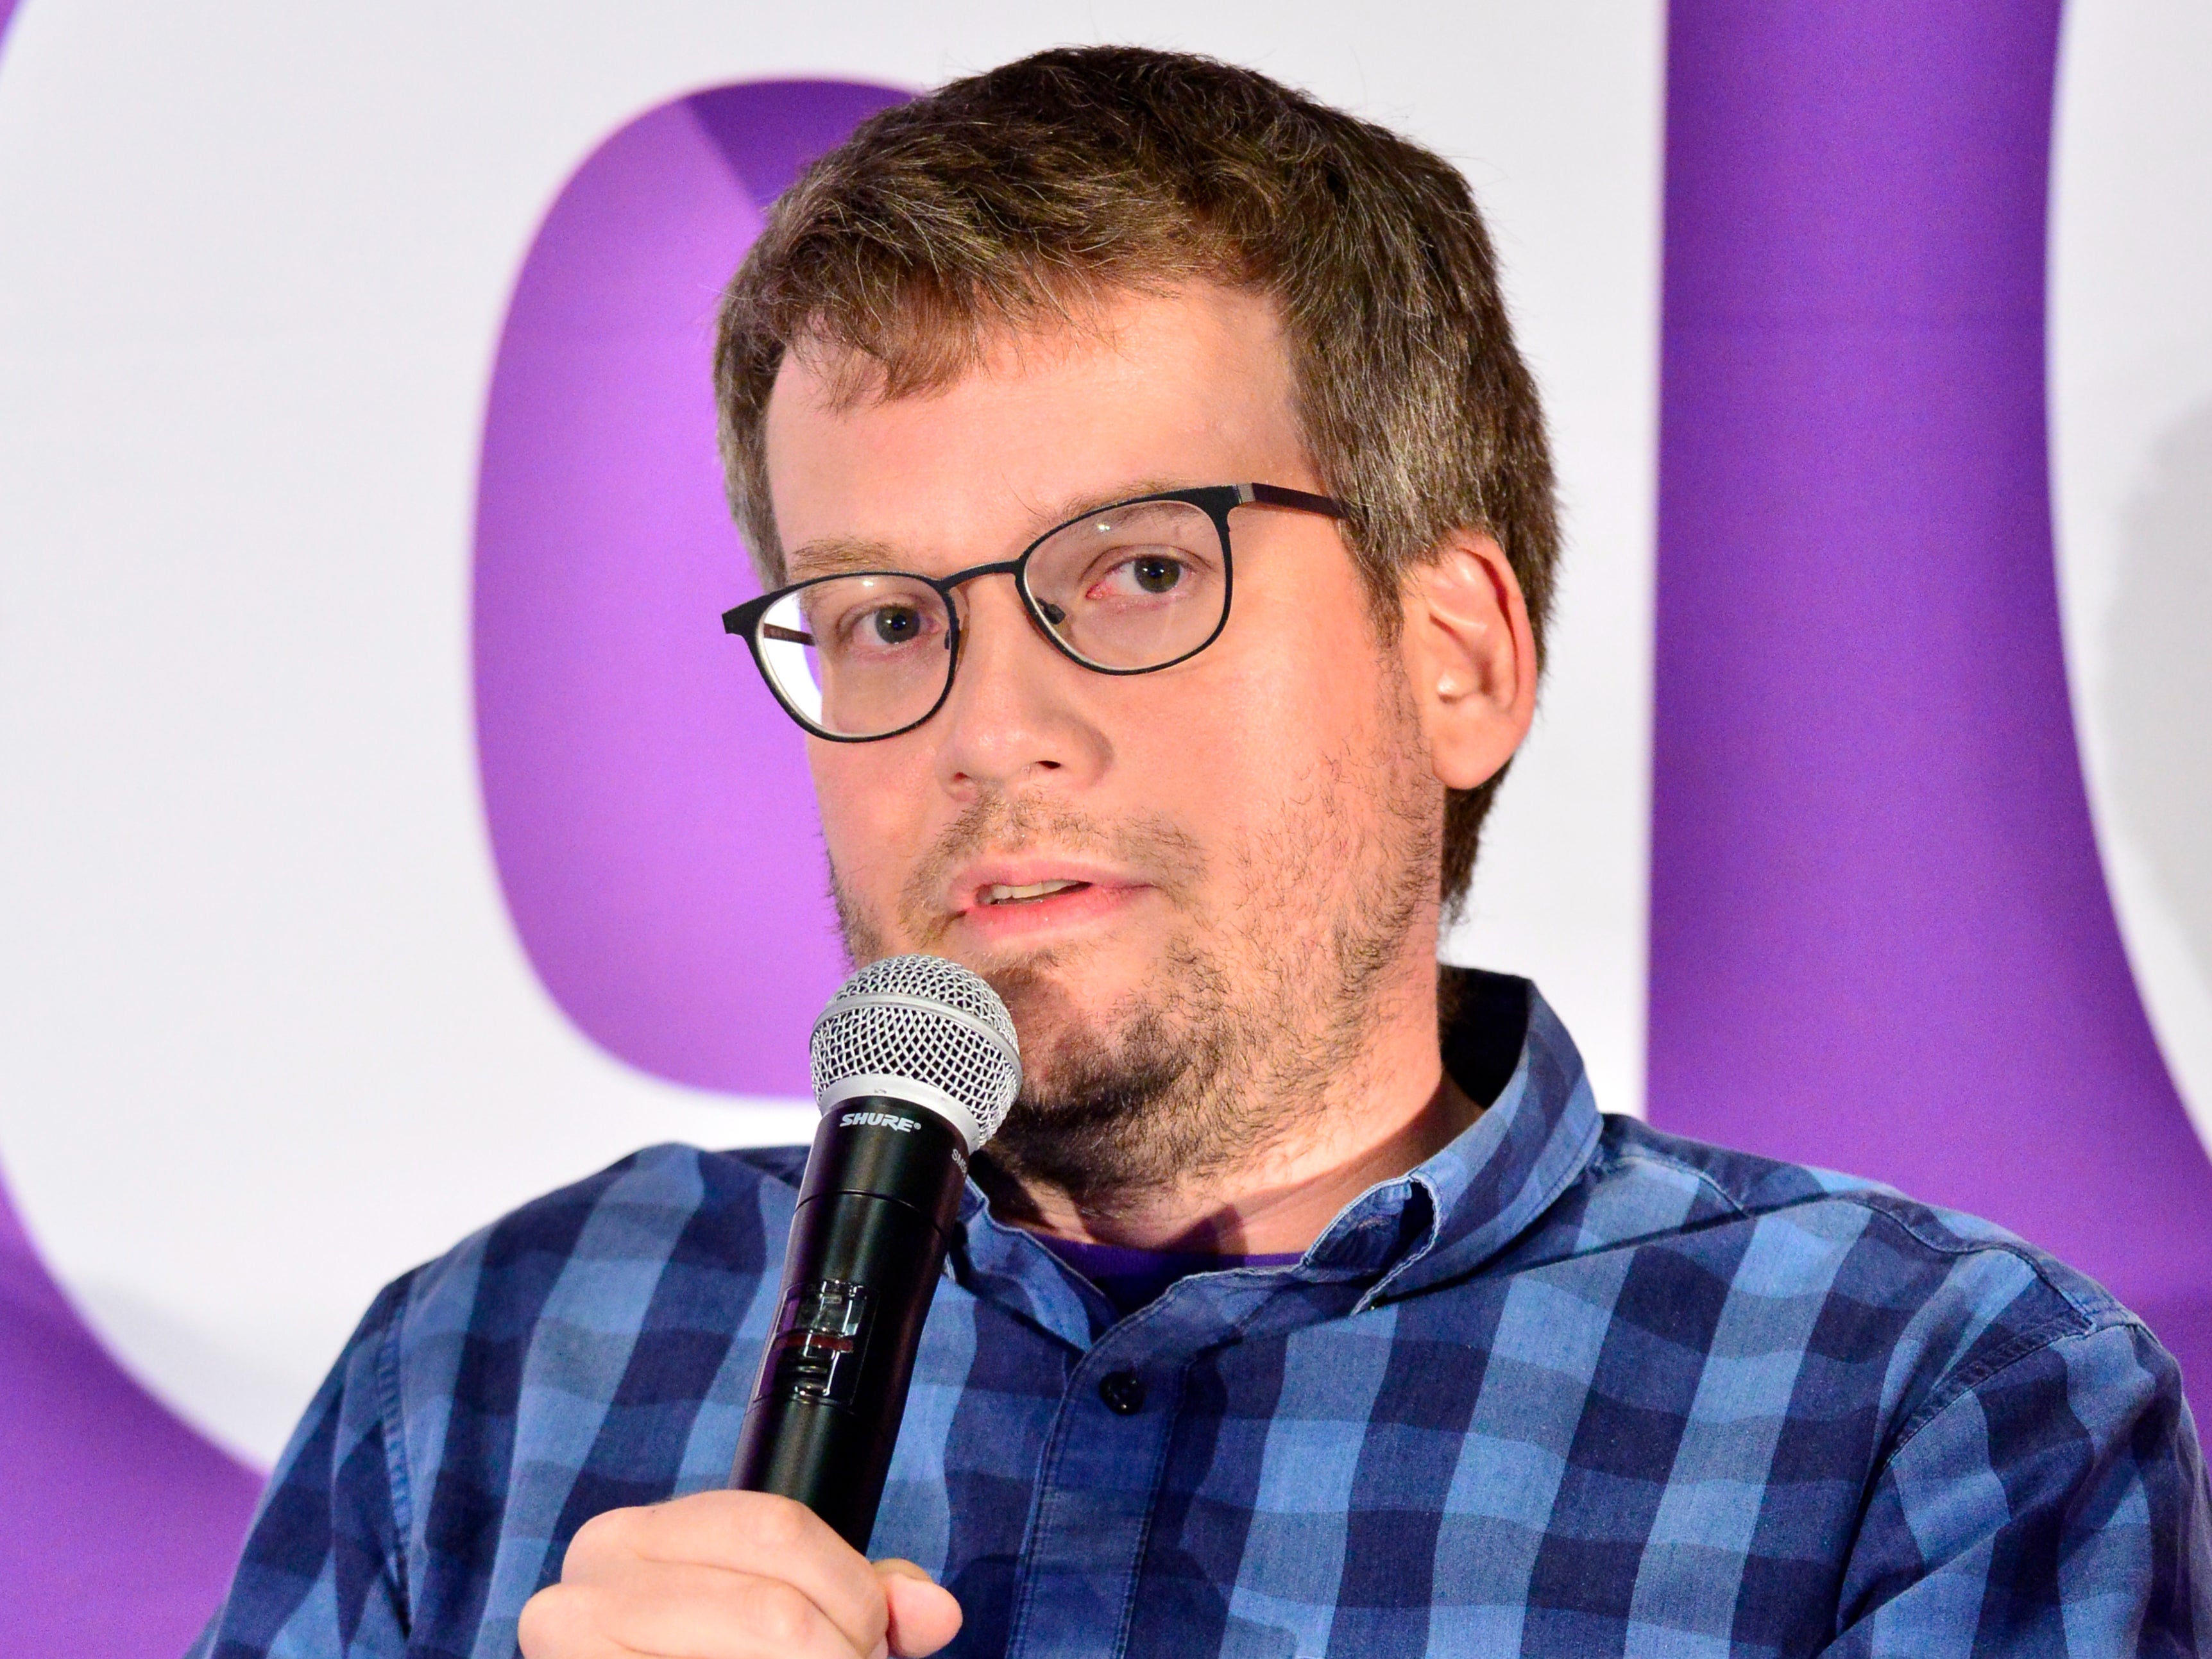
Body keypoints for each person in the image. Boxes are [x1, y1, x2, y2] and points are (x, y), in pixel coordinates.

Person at [194, 46, 2209, 1658]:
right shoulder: (487, 1372)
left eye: (1139, 571)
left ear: (1461, 660)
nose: (992, 727)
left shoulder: (1921, 1415)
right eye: (889, 616)